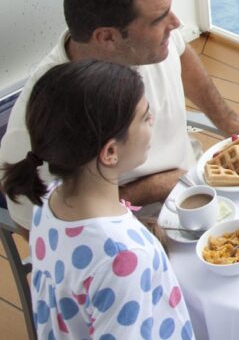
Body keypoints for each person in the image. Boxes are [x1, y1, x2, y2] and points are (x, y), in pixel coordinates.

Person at [0, 0, 239, 233]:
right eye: (160, 18)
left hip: (197, 184)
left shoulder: (154, 42)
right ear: (108, 37)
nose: (176, 23)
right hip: (129, 234)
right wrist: (150, 190)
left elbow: (183, 57)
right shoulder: (35, 126)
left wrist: (228, 120)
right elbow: (36, 227)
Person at [0, 60, 193, 339]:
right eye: (144, 117)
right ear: (110, 152)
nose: (152, 120)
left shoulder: (50, 201)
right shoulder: (124, 259)